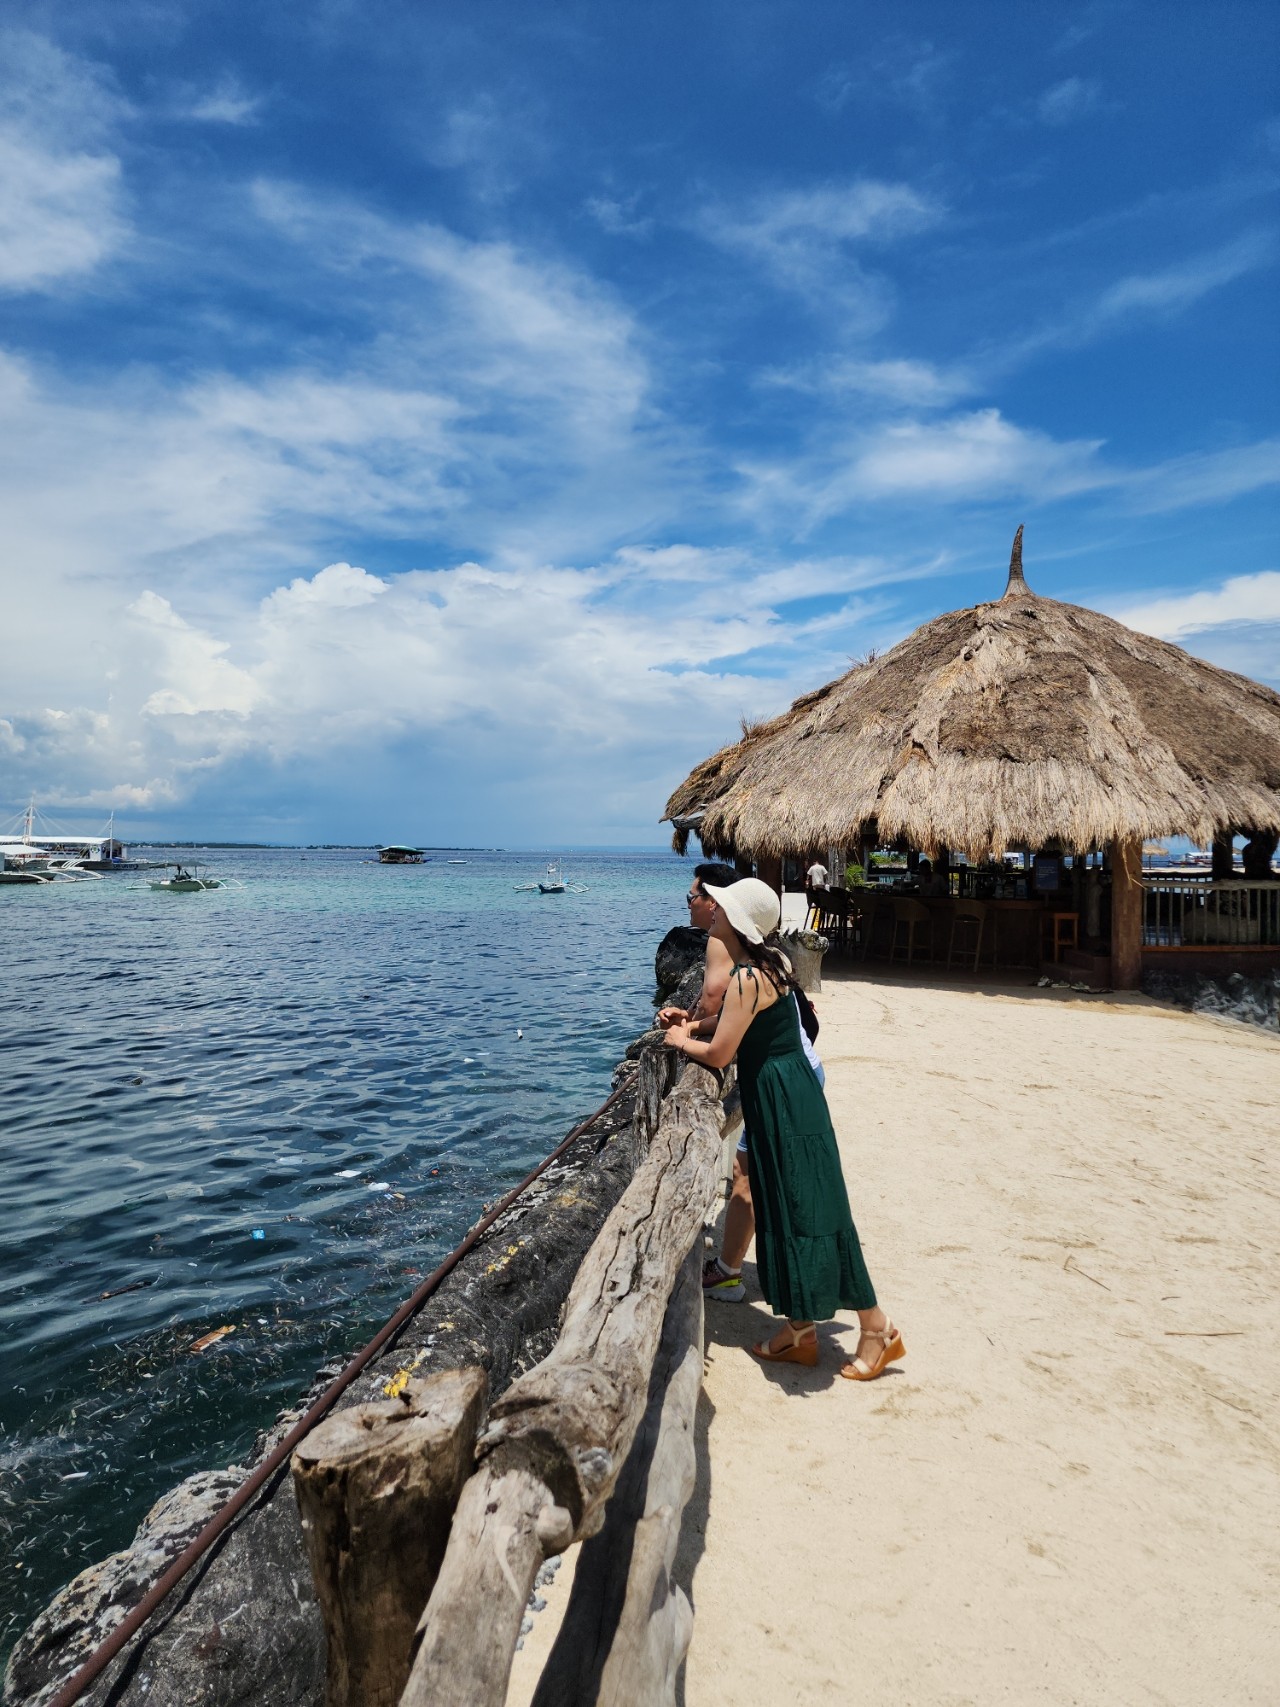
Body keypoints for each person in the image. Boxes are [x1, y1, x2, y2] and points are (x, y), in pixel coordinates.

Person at [664, 877, 903, 1380]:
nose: (713, 913)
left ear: (736, 920)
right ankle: (799, 1329)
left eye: (722, 909)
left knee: (814, 1207)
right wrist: (695, 1024)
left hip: (784, 1099)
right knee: (786, 1204)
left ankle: (876, 1326)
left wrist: (678, 1040)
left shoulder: (749, 977)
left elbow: (721, 1052)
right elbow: (734, 1022)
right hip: (783, 1093)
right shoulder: (770, 965)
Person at [656, 861, 741, 1037]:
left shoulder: (719, 941)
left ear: (712, 901)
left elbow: (711, 1003)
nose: (688, 905)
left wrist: (686, 1029)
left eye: (691, 897)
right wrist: (686, 1016)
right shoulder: (741, 933)